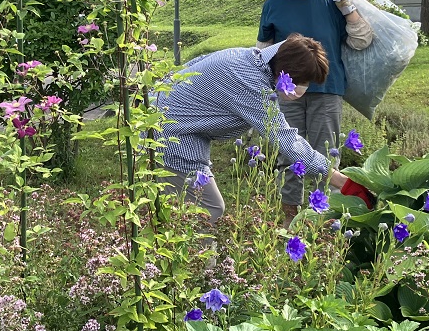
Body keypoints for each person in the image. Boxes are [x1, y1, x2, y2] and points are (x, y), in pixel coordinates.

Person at [155, 33, 376, 220]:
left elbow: (192, 64)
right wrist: (342, 182)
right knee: (208, 209)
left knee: (181, 209)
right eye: (301, 82)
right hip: (171, 135)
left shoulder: (248, 57)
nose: (303, 89)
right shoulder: (249, 81)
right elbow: (286, 140)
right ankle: (195, 268)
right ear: (284, 73)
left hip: (176, 127)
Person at [257, 0, 373, 220]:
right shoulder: (273, 5)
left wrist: (350, 11)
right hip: (287, 91)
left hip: (327, 88)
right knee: (288, 153)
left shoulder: (334, 3)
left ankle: (326, 215)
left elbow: (362, 41)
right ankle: (290, 214)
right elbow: (262, 52)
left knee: (325, 153)